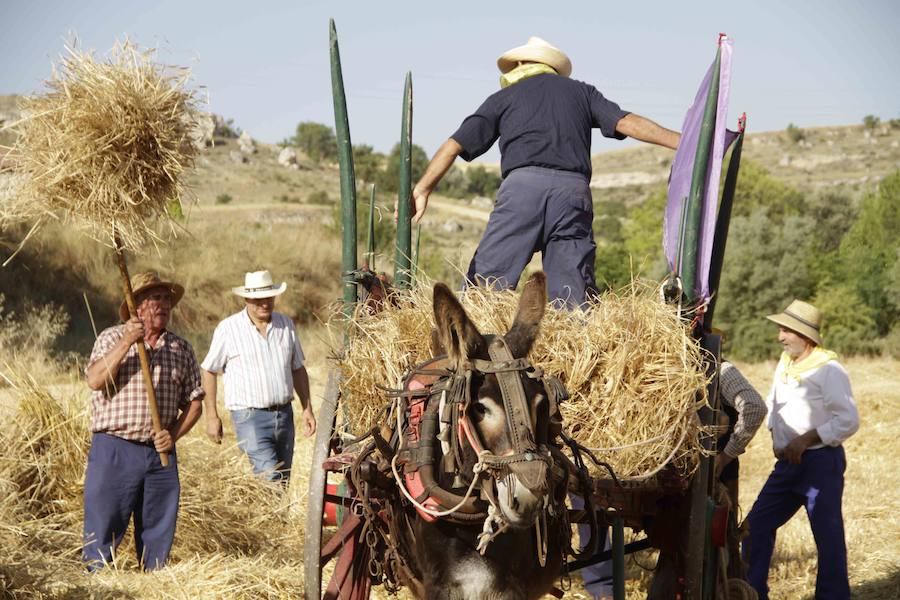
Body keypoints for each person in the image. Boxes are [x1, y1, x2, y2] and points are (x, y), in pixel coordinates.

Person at [410, 36, 680, 306]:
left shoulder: (504, 97)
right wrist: (684, 142)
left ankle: (477, 339)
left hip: (522, 192)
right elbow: (626, 122)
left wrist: (422, 190)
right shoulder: (582, 93)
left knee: (486, 287)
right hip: (572, 194)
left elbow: (453, 145)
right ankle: (574, 340)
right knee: (573, 296)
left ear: (518, 63)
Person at [83, 271, 204, 571]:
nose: (163, 305)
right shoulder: (112, 337)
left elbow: (195, 402)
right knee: (102, 528)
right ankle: (96, 583)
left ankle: (154, 582)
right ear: (137, 306)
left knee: (157, 534)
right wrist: (127, 342)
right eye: (155, 299)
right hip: (114, 449)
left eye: (166, 299)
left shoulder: (180, 348)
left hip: (159, 455)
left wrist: (173, 434)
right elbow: (95, 380)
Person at [744, 300, 859, 600]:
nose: (780, 337)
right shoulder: (786, 362)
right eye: (780, 329)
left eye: (785, 330)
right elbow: (774, 401)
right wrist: (775, 435)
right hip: (788, 464)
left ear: (804, 335)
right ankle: (751, 592)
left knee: (828, 538)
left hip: (820, 463)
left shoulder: (830, 370)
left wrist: (805, 439)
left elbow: (848, 420)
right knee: (755, 526)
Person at [201, 270, 316, 483]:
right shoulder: (228, 329)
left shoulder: (286, 325)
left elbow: (298, 368)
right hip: (249, 417)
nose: (264, 303)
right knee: (269, 477)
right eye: (257, 299)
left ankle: (277, 517)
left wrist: (307, 409)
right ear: (246, 299)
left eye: (268, 298)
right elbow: (209, 369)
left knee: (283, 480)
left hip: (284, 415)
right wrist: (211, 416)